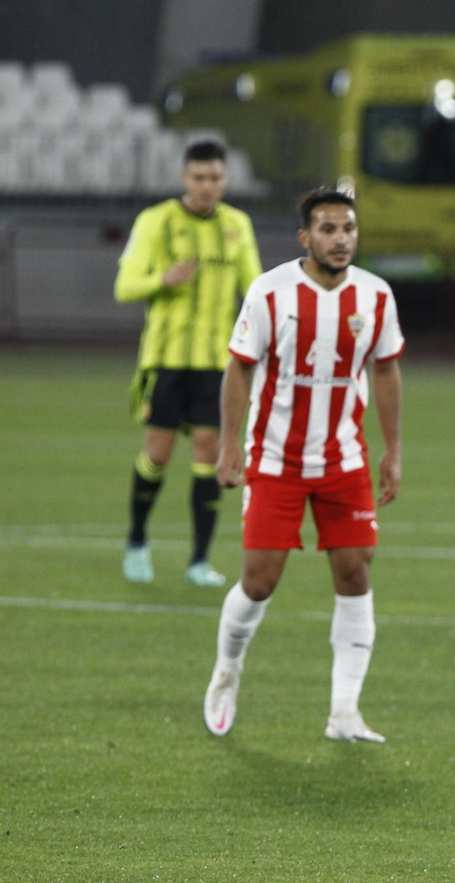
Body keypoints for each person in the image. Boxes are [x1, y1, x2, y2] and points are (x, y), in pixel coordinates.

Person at [202, 188, 405, 743]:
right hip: (276, 459)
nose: (341, 239)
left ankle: (344, 711)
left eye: (348, 229)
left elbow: (385, 372)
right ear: (305, 237)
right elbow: (239, 369)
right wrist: (228, 446)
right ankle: (227, 670)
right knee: (260, 582)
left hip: (344, 459)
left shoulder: (376, 296)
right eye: (328, 229)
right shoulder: (270, 293)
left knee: (355, 572)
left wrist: (392, 451)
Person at [114, 139, 262, 586]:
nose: (207, 186)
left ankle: (199, 561)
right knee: (157, 454)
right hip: (166, 360)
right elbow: (124, 287)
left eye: (215, 177)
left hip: (218, 364)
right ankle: (138, 541)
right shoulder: (156, 221)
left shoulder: (237, 225)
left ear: (225, 180)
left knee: (208, 451)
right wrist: (163, 278)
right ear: (184, 178)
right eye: (199, 177)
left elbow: (255, 289)